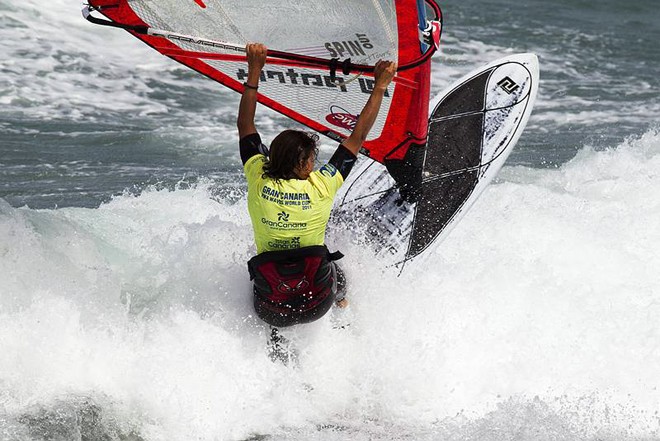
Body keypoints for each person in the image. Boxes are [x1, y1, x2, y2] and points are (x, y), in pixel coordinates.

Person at [238, 42, 396, 328]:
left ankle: (275, 337)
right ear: (304, 166)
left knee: (268, 283)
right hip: (317, 304)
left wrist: (254, 71)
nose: (314, 164)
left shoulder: (258, 176)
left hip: (269, 309)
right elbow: (357, 136)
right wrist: (380, 87)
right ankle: (344, 310)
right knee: (339, 273)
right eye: (312, 159)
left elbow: (245, 125)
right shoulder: (322, 185)